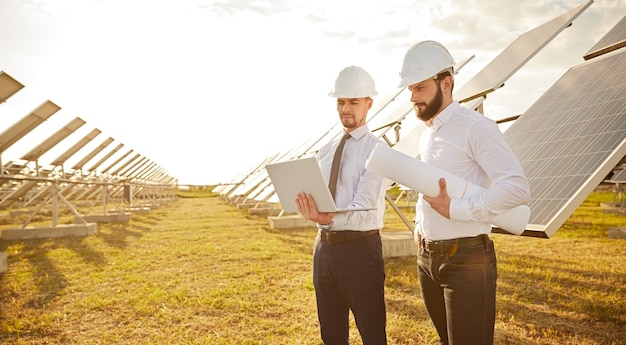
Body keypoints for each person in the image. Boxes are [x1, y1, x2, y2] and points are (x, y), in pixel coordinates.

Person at [396, 41, 531, 345]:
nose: (413, 97)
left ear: (446, 83)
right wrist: (421, 223)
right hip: (428, 258)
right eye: (411, 90)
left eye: (419, 88)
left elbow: (517, 188)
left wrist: (456, 210)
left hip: (467, 259)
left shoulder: (476, 128)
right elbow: (431, 185)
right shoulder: (428, 134)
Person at [295, 65, 389, 345]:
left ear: (369, 104)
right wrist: (309, 209)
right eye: (341, 102)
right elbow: (318, 197)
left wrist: (328, 218)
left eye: (353, 102)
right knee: (331, 334)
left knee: (372, 333)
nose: (345, 108)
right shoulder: (326, 150)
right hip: (324, 250)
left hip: (360, 251)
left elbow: (365, 206)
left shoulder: (378, 149)